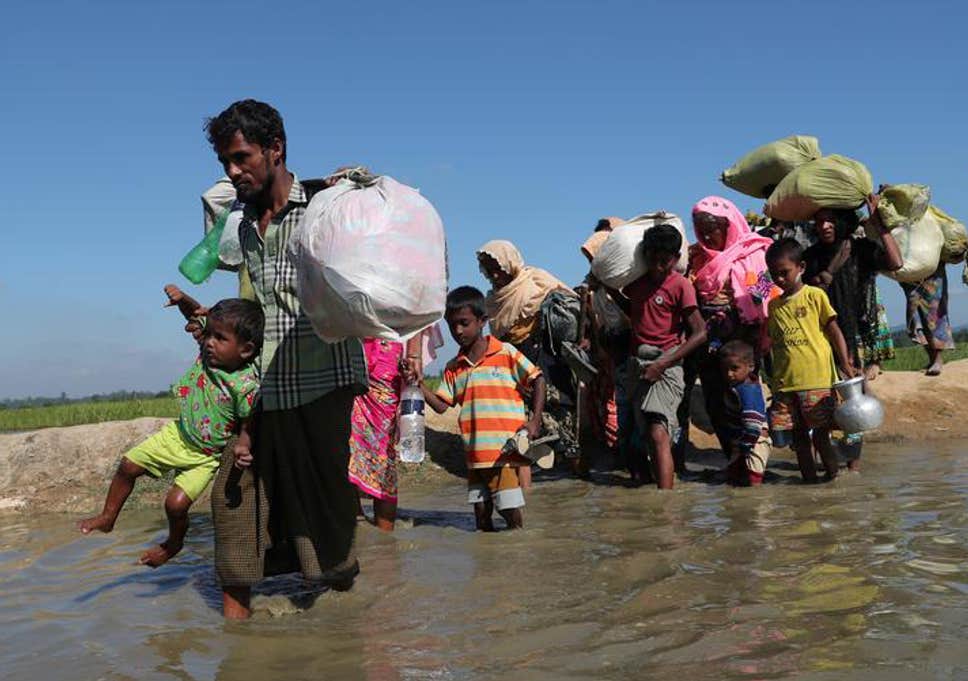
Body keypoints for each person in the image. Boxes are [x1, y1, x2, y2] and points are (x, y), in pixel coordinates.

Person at [204, 100, 370, 619]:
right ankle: (241, 620)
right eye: (226, 163)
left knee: (327, 508)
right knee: (239, 495)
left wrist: (355, 184)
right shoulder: (244, 221)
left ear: (276, 149)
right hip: (267, 384)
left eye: (242, 157)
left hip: (324, 378)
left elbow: (379, 221)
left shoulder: (323, 206)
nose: (233, 172)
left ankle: (338, 613)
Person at [78, 285, 261, 567]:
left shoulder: (245, 384)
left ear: (246, 350)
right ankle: (108, 517)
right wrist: (183, 300)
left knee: (174, 505)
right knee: (128, 466)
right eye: (209, 335)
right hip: (178, 436)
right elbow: (198, 317)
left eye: (220, 338)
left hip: (205, 456)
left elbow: (249, 419)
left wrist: (243, 446)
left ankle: (173, 544)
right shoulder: (208, 357)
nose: (209, 341)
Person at [417, 286, 546, 531]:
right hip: (475, 457)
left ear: (482, 321)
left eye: (464, 323)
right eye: (452, 325)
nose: (458, 331)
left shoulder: (505, 353)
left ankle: (517, 560)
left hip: (503, 454)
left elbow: (538, 379)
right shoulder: (454, 366)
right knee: (482, 520)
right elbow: (442, 406)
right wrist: (419, 385)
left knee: (511, 517)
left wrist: (535, 421)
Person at [803, 197, 902, 471]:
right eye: (819, 220)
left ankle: (853, 470)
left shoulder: (859, 250)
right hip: (817, 339)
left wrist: (879, 225)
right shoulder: (809, 257)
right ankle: (823, 467)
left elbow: (895, 262)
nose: (824, 225)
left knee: (854, 405)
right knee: (818, 406)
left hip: (851, 338)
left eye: (830, 220)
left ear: (843, 221)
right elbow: (776, 279)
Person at [612, 225, 707, 489]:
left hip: (667, 364)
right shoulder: (637, 285)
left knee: (658, 431)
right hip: (638, 365)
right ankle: (657, 491)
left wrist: (664, 364)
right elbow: (636, 313)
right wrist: (607, 291)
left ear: (676, 259)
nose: (657, 266)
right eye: (652, 259)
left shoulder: (680, 285)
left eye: (664, 261)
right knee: (640, 437)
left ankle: (665, 504)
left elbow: (700, 332)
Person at [476, 240, 580, 479]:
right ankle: (526, 486)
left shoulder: (534, 280)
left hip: (546, 358)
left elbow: (569, 304)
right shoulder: (492, 300)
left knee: (563, 416)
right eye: (487, 269)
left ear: (509, 263)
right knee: (520, 425)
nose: (493, 275)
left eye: (497, 268)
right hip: (514, 363)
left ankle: (576, 474)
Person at [686, 197, 778, 462]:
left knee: (744, 401)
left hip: (743, 341)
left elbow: (766, 296)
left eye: (711, 228)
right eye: (700, 228)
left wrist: (758, 330)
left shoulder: (749, 255)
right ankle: (733, 459)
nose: (705, 235)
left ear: (728, 226)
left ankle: (753, 460)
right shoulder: (696, 258)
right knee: (716, 404)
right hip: (708, 342)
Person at [765, 238, 857, 483]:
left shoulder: (815, 296)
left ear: (801, 267)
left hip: (816, 381)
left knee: (820, 436)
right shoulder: (773, 306)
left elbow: (834, 331)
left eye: (784, 273)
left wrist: (845, 364)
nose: (779, 279)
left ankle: (832, 478)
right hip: (786, 384)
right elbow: (773, 343)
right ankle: (809, 483)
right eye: (774, 275)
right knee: (798, 440)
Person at [348, 326, 443, 532]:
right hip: (355, 350)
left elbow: (417, 309)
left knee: (384, 450)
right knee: (350, 444)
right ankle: (359, 521)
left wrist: (414, 355)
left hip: (389, 356)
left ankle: (384, 536)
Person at [718, 340, 770, 487]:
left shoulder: (748, 390)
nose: (729, 374)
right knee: (735, 475)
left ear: (751, 367)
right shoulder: (739, 386)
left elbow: (753, 424)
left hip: (754, 441)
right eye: (725, 369)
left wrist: (746, 445)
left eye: (735, 368)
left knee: (754, 478)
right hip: (743, 440)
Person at [902, 263, 955, 376]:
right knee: (914, 311)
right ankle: (932, 358)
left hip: (932, 267)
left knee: (933, 311)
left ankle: (937, 359)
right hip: (909, 268)